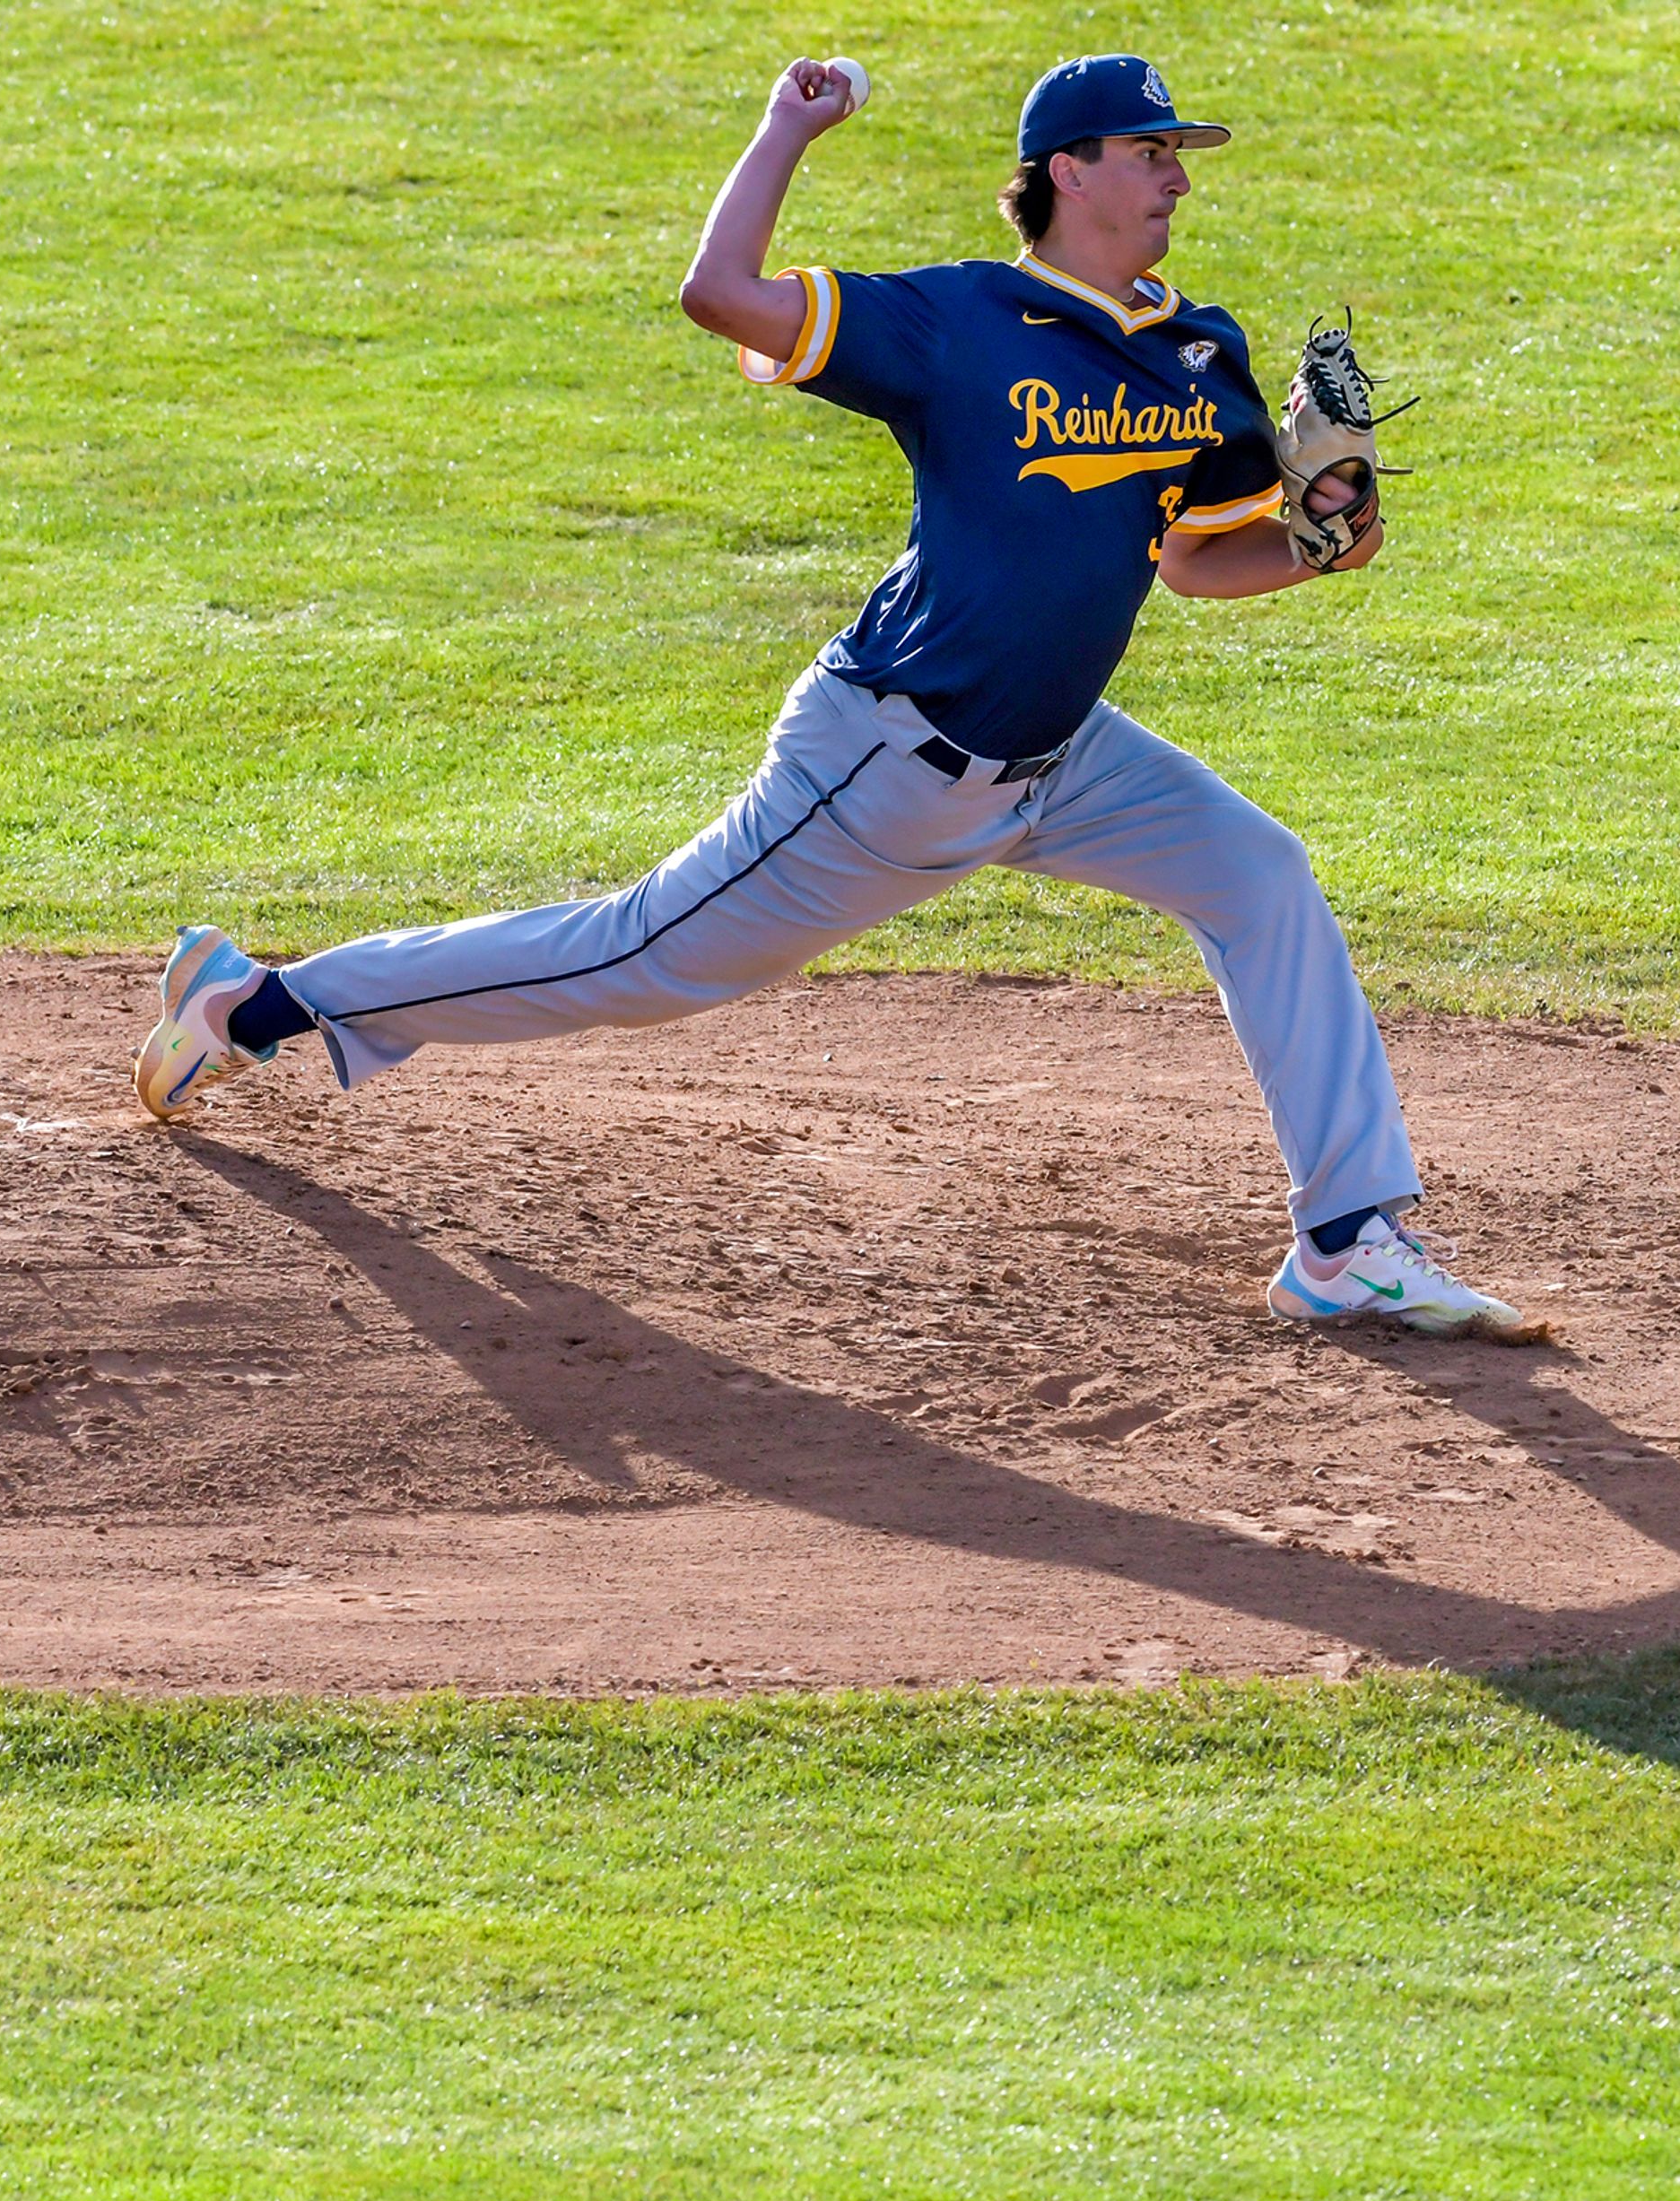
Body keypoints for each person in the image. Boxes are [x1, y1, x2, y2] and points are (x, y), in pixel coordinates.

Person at [133, 51, 1522, 1337]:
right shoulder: (957, 322)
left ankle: (1347, 1241)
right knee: (637, 957)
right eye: (1153, 149)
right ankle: (262, 1002)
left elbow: (1200, 567)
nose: (1179, 175)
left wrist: (1332, 534)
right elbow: (721, 297)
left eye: (1181, 152)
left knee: (1259, 874)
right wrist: (787, 129)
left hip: (1063, 758)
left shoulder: (1198, 354)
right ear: (1070, 170)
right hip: (888, 762)